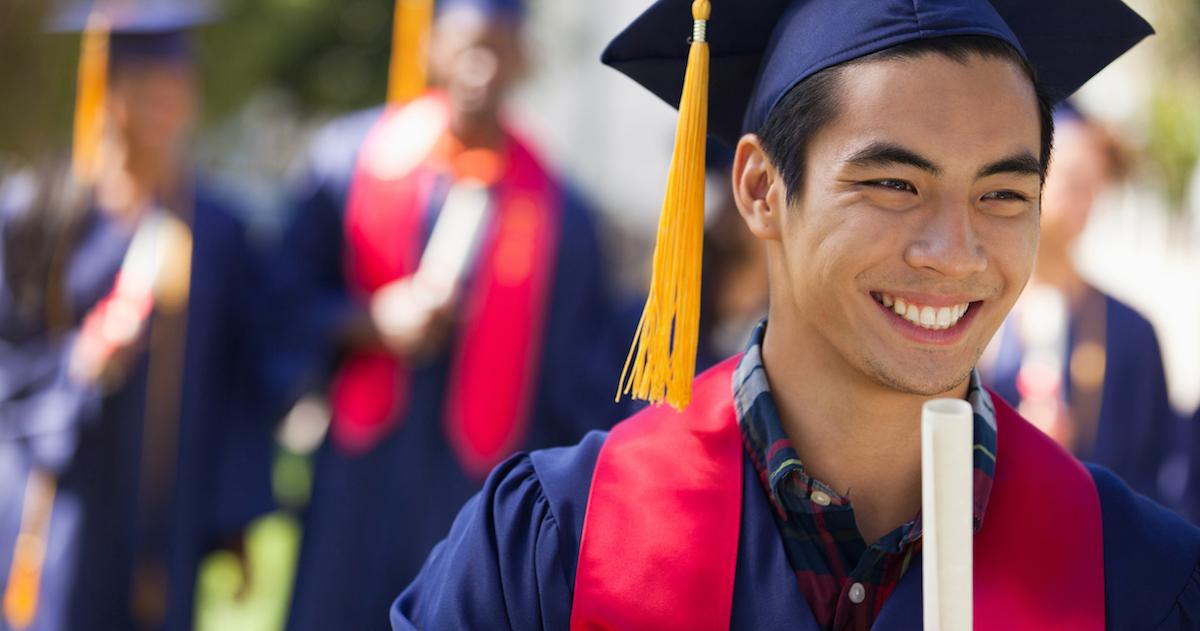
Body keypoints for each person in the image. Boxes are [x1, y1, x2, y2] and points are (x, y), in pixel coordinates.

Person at [391, 0, 1200, 629]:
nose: (955, 253)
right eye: (894, 184)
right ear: (759, 188)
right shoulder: (555, 543)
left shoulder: (1137, 577)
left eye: (1003, 194)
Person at [268, 0, 625, 628]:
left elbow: (580, 375)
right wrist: (368, 322)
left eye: (499, 47)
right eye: (466, 45)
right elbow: (282, 297)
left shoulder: (562, 216)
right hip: (359, 478)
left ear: (524, 60)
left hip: (474, 491)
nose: (480, 67)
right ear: (431, 48)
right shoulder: (350, 162)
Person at [0, 3, 273, 630]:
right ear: (107, 89)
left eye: (175, 88)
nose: (163, 105)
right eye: (145, 88)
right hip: (63, 495)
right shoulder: (41, 212)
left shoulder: (218, 229)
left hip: (167, 507)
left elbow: (238, 381)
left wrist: (234, 517)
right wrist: (80, 364)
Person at [980, 104, 1176, 503]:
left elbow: (1158, 477)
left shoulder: (1130, 332)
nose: (1083, 203)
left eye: (1094, 185)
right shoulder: (967, 309)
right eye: (1072, 182)